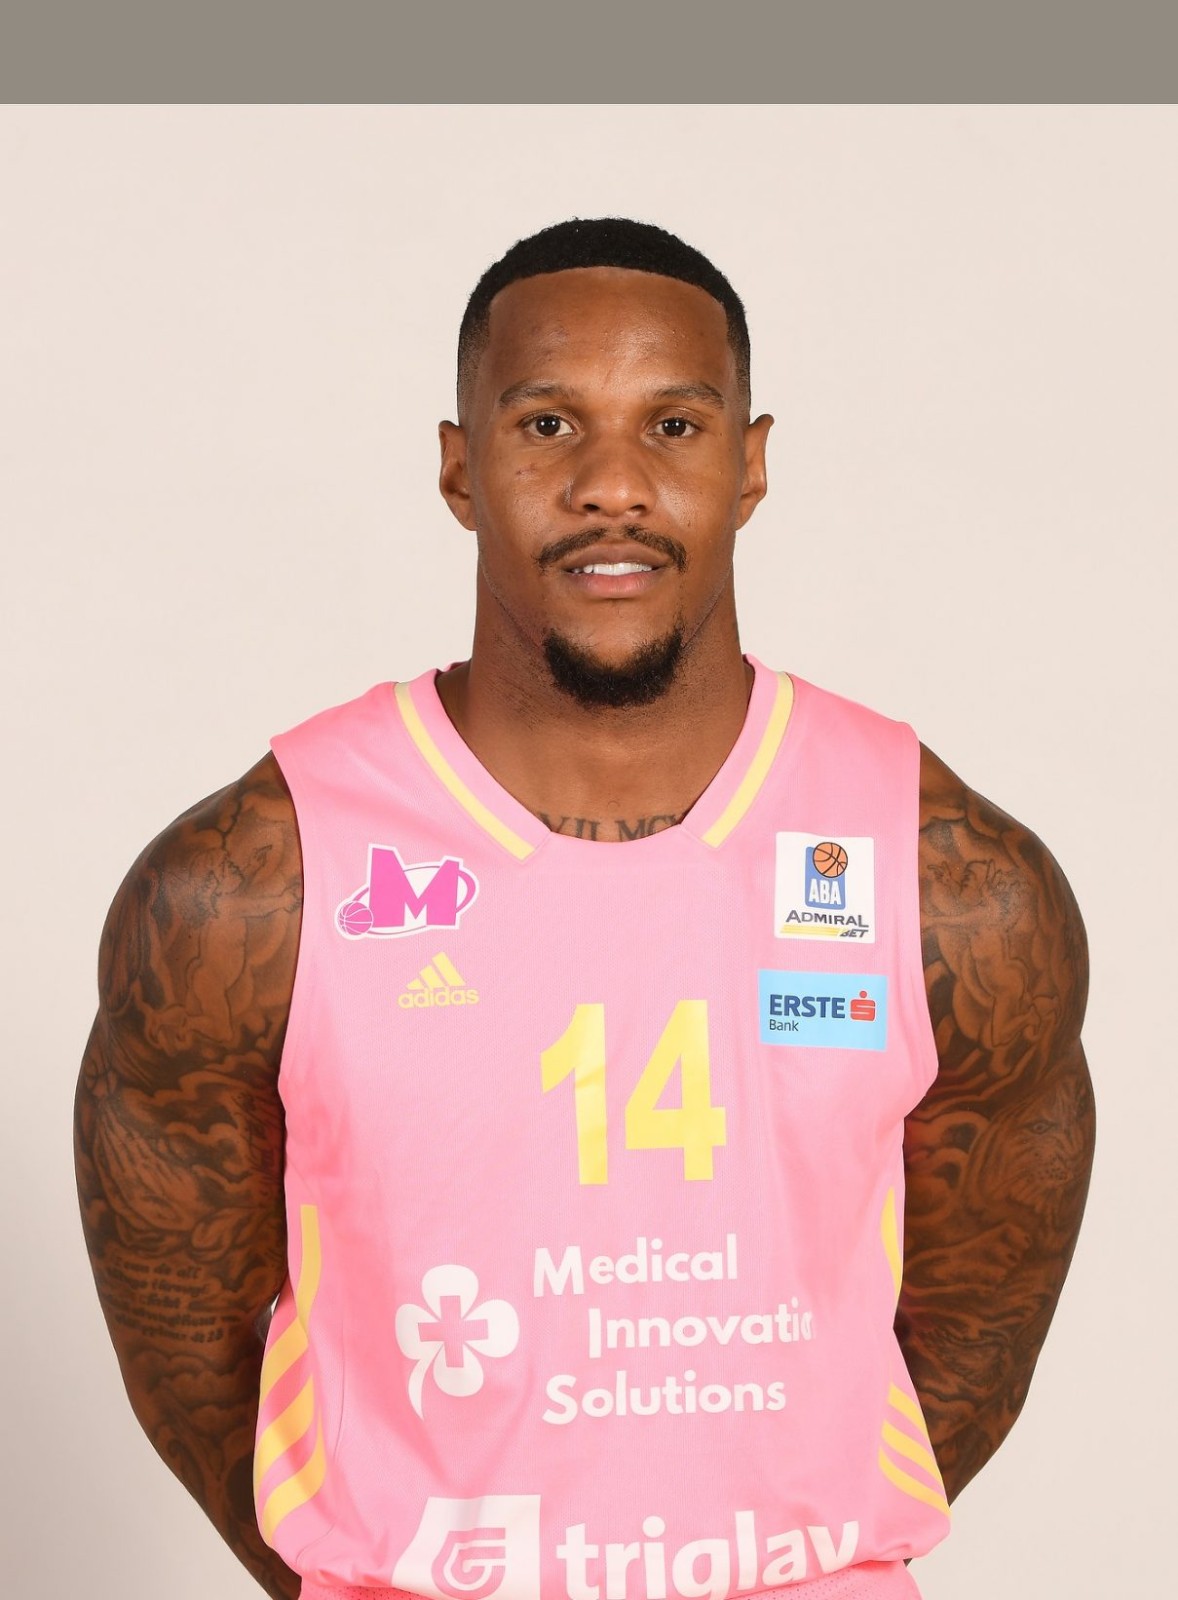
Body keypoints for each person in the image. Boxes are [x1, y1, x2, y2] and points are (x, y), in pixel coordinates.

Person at [74, 218, 1095, 1600]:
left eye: (673, 426)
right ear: (459, 468)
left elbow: (976, 1331)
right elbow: (187, 1346)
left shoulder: (949, 884)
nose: (611, 484)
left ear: (749, 465)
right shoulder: (250, 887)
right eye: (547, 424)